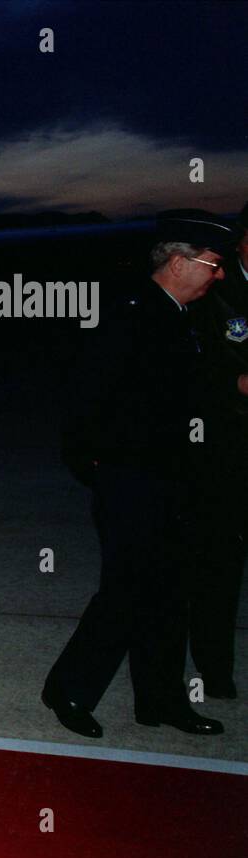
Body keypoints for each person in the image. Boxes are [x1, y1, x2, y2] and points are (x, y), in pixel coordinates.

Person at [47, 209, 233, 737]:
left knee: (171, 592)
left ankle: (161, 700)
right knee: (127, 591)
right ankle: (68, 688)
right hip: (131, 481)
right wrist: (100, 469)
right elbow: (84, 399)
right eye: (212, 265)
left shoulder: (186, 315)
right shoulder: (128, 316)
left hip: (175, 481)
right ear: (178, 262)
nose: (218, 275)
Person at [187, 203, 248, 700]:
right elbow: (188, 372)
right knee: (220, 564)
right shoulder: (211, 291)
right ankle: (215, 668)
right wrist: (236, 383)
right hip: (230, 447)